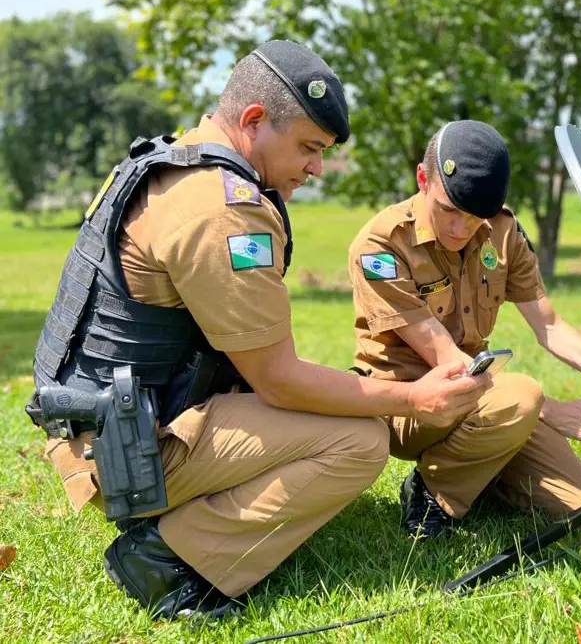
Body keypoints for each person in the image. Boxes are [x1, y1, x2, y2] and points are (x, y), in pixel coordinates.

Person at [26, 41, 489, 619]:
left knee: (341, 405)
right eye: (308, 148)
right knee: (360, 440)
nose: (316, 168)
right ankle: (170, 560)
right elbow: (280, 381)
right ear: (252, 120)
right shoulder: (221, 207)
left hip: (105, 421)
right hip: (127, 452)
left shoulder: (173, 160)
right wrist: (419, 399)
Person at [348, 119, 581, 538]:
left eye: (476, 218)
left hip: (483, 405)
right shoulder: (382, 246)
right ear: (423, 179)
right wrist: (553, 411)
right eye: (449, 212)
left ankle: (481, 471)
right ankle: (432, 491)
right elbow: (450, 362)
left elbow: (548, 323)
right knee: (523, 396)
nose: (460, 230)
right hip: (408, 406)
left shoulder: (501, 230)